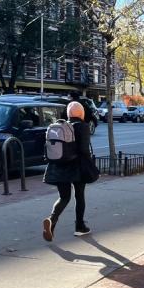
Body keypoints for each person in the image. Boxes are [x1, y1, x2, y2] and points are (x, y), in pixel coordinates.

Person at [42, 101, 93, 241]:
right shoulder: (83, 126)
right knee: (79, 196)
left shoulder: (60, 126)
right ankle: (80, 227)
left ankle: (51, 220)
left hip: (59, 165)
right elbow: (84, 150)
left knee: (64, 197)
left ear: (69, 114)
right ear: (81, 113)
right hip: (77, 167)